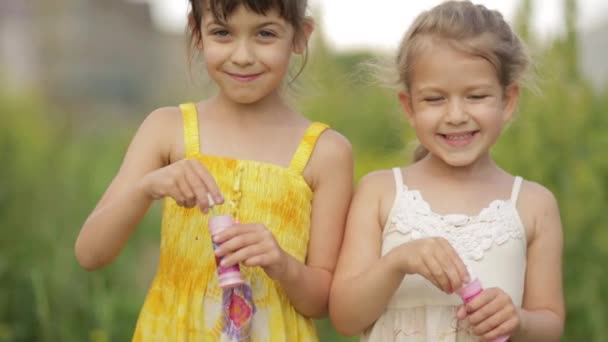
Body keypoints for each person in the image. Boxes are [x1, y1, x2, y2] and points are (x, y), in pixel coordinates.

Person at [74, 0, 353, 340]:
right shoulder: (166, 128)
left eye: (265, 34)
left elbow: (321, 302)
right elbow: (90, 253)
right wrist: (147, 187)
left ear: (300, 36)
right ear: (197, 33)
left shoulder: (327, 152)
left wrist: (282, 264)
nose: (242, 55)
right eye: (222, 32)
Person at [329, 1, 564, 341]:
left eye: (476, 96)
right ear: (409, 106)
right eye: (435, 99)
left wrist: (520, 320)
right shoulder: (380, 193)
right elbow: (345, 318)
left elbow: (551, 325)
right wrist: (398, 262)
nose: (455, 115)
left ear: (508, 100)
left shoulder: (534, 205)